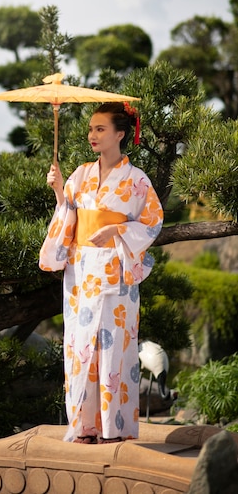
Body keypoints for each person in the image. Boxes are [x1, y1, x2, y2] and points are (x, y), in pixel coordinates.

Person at [39, 102, 163, 445]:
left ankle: (115, 427)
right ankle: (84, 426)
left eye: (100, 129)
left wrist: (117, 232)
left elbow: (152, 222)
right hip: (80, 275)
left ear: (120, 134)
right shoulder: (80, 174)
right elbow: (69, 215)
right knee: (79, 347)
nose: (92, 135)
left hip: (117, 273)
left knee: (114, 350)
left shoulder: (137, 180)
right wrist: (58, 189)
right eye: (91, 129)